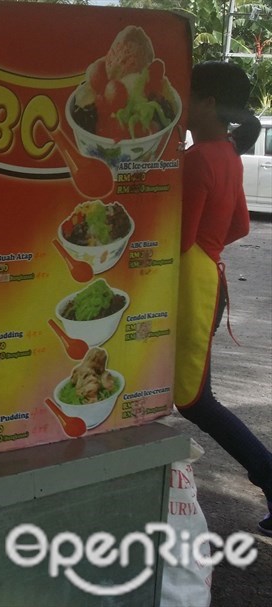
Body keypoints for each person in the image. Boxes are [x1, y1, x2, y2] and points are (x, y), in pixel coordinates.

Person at [175, 61, 271, 536]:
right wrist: (209, 250)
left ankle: (269, 474)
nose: (180, 103)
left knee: (195, 401)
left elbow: (178, 239)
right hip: (212, 278)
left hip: (191, 284)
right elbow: (240, 227)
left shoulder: (197, 160)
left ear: (209, 103)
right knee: (189, 396)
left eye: (188, 95)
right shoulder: (228, 154)